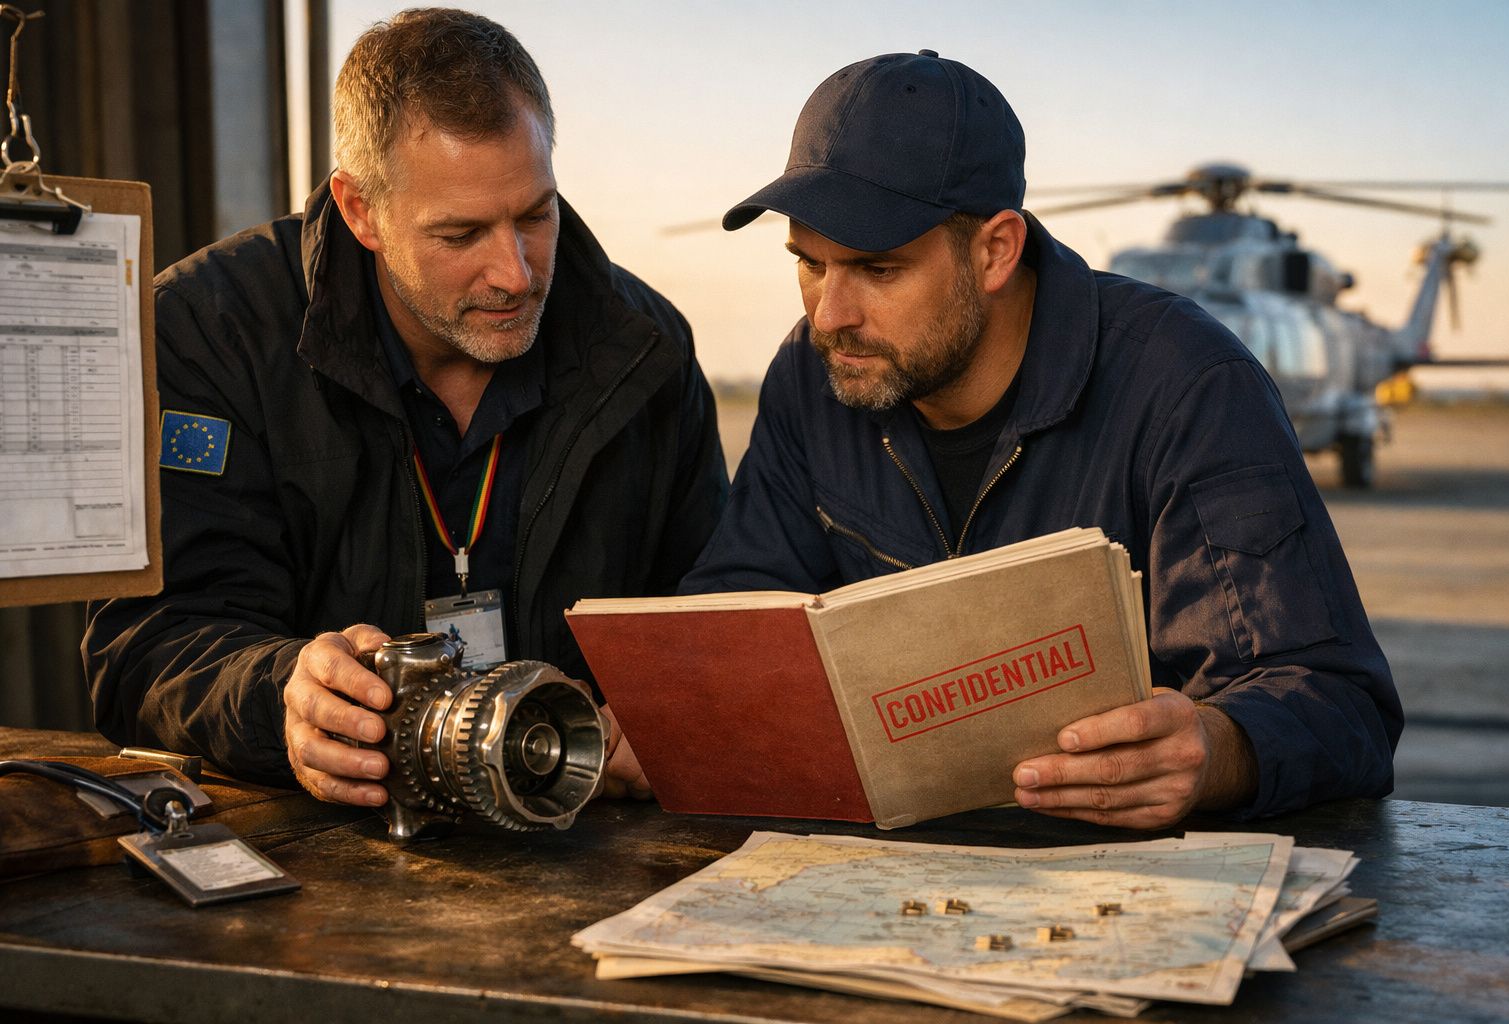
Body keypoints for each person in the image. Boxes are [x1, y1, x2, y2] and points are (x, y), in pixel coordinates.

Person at [679, 50, 1401, 828]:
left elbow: (1340, 707)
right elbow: (735, 609)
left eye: (878, 270)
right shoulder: (815, 370)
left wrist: (1220, 748)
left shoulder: (1187, 383)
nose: (829, 314)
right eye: (809, 264)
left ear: (995, 250)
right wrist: (678, 709)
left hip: (1123, 890)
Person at [84, 9, 726, 807]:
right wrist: (280, 698)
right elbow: (145, 650)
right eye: (461, 235)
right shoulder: (204, 334)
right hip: (316, 865)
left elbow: (714, 617)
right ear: (360, 211)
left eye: (534, 215)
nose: (516, 274)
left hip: (590, 838)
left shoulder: (647, 349)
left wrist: (671, 713)